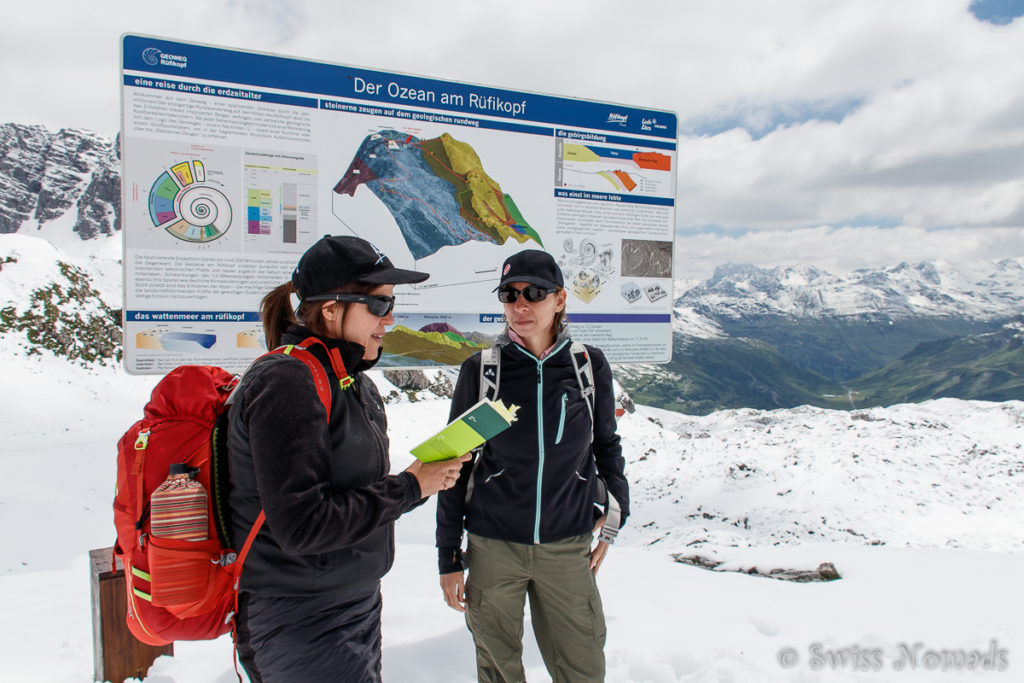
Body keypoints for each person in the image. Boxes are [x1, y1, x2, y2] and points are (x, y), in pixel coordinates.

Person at [228, 235, 469, 682]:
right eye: (378, 305)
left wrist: (422, 480)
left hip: (349, 603)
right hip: (301, 617)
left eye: (391, 304)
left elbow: (351, 496)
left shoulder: (350, 382)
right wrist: (412, 486)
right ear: (331, 309)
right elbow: (302, 526)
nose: (390, 319)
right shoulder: (288, 382)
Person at [436, 249, 629, 683]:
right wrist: (448, 555)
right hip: (491, 547)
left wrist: (615, 519)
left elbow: (606, 447)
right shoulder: (484, 371)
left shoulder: (587, 366)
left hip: (566, 546)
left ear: (560, 300)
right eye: (510, 294)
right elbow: (455, 465)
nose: (520, 305)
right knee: (499, 670)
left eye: (534, 293)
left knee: (581, 668)